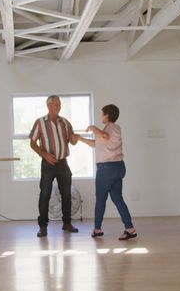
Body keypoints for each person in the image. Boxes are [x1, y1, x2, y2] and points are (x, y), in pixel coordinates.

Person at [77, 104, 138, 240]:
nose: (101, 116)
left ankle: (97, 229)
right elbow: (97, 143)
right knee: (117, 199)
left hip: (107, 169)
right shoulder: (109, 129)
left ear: (107, 115)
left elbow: (103, 136)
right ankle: (130, 228)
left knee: (100, 200)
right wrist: (80, 139)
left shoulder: (112, 128)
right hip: (117, 167)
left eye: (102, 114)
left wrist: (93, 128)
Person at [29, 95, 80, 237]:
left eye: (60, 104)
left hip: (63, 163)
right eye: (56, 104)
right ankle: (43, 226)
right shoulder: (39, 122)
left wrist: (75, 139)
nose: (59, 107)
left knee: (67, 194)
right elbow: (32, 143)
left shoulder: (65, 122)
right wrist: (44, 155)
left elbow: (72, 141)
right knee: (45, 194)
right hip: (47, 163)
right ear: (49, 106)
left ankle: (67, 223)